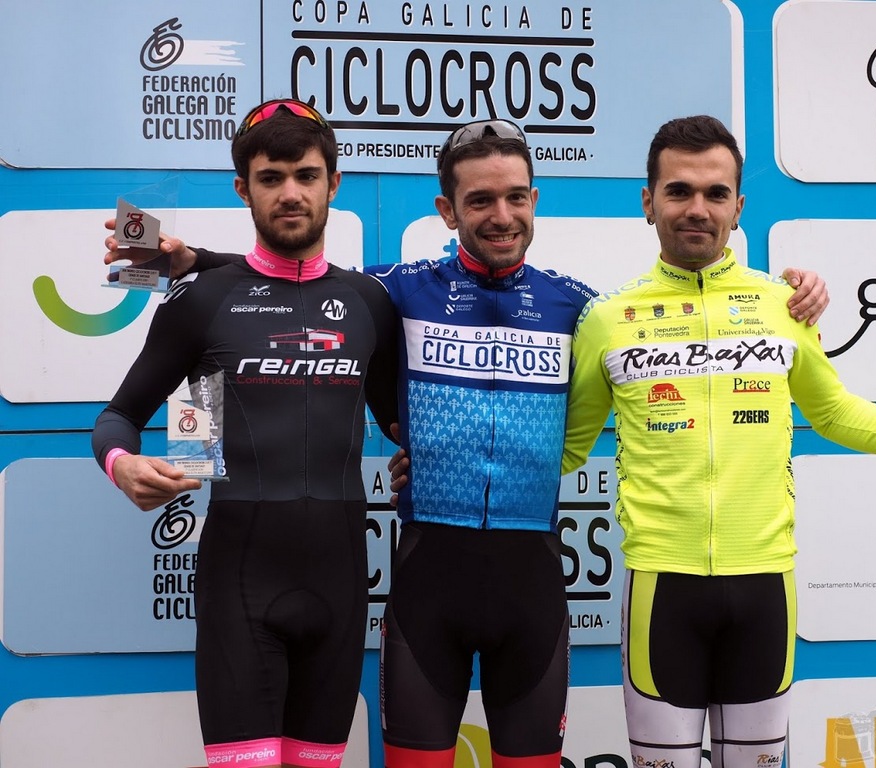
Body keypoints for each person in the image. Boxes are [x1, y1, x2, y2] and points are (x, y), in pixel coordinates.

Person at [103, 118, 829, 768]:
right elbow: (296, 280)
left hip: (532, 588)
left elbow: (682, 317)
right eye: (480, 200)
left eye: (515, 197)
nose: (501, 215)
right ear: (447, 211)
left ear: (535, 201)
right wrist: (192, 261)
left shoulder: (584, 309)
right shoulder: (396, 291)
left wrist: (788, 294)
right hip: (423, 584)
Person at [560, 115, 876, 768]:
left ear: (738, 207)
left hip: (765, 588)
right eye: (678, 191)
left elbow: (832, 411)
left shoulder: (783, 305)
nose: (697, 208)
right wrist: (448, 470)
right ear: (648, 202)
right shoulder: (607, 319)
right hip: (662, 590)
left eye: (715, 193)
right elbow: (566, 446)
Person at [93, 99, 400, 768]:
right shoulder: (201, 300)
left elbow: (400, 423)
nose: (290, 193)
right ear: (243, 188)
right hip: (239, 585)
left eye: (306, 176)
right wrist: (121, 463)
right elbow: (118, 416)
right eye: (270, 178)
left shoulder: (370, 302)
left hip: (342, 587)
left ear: (333, 184)